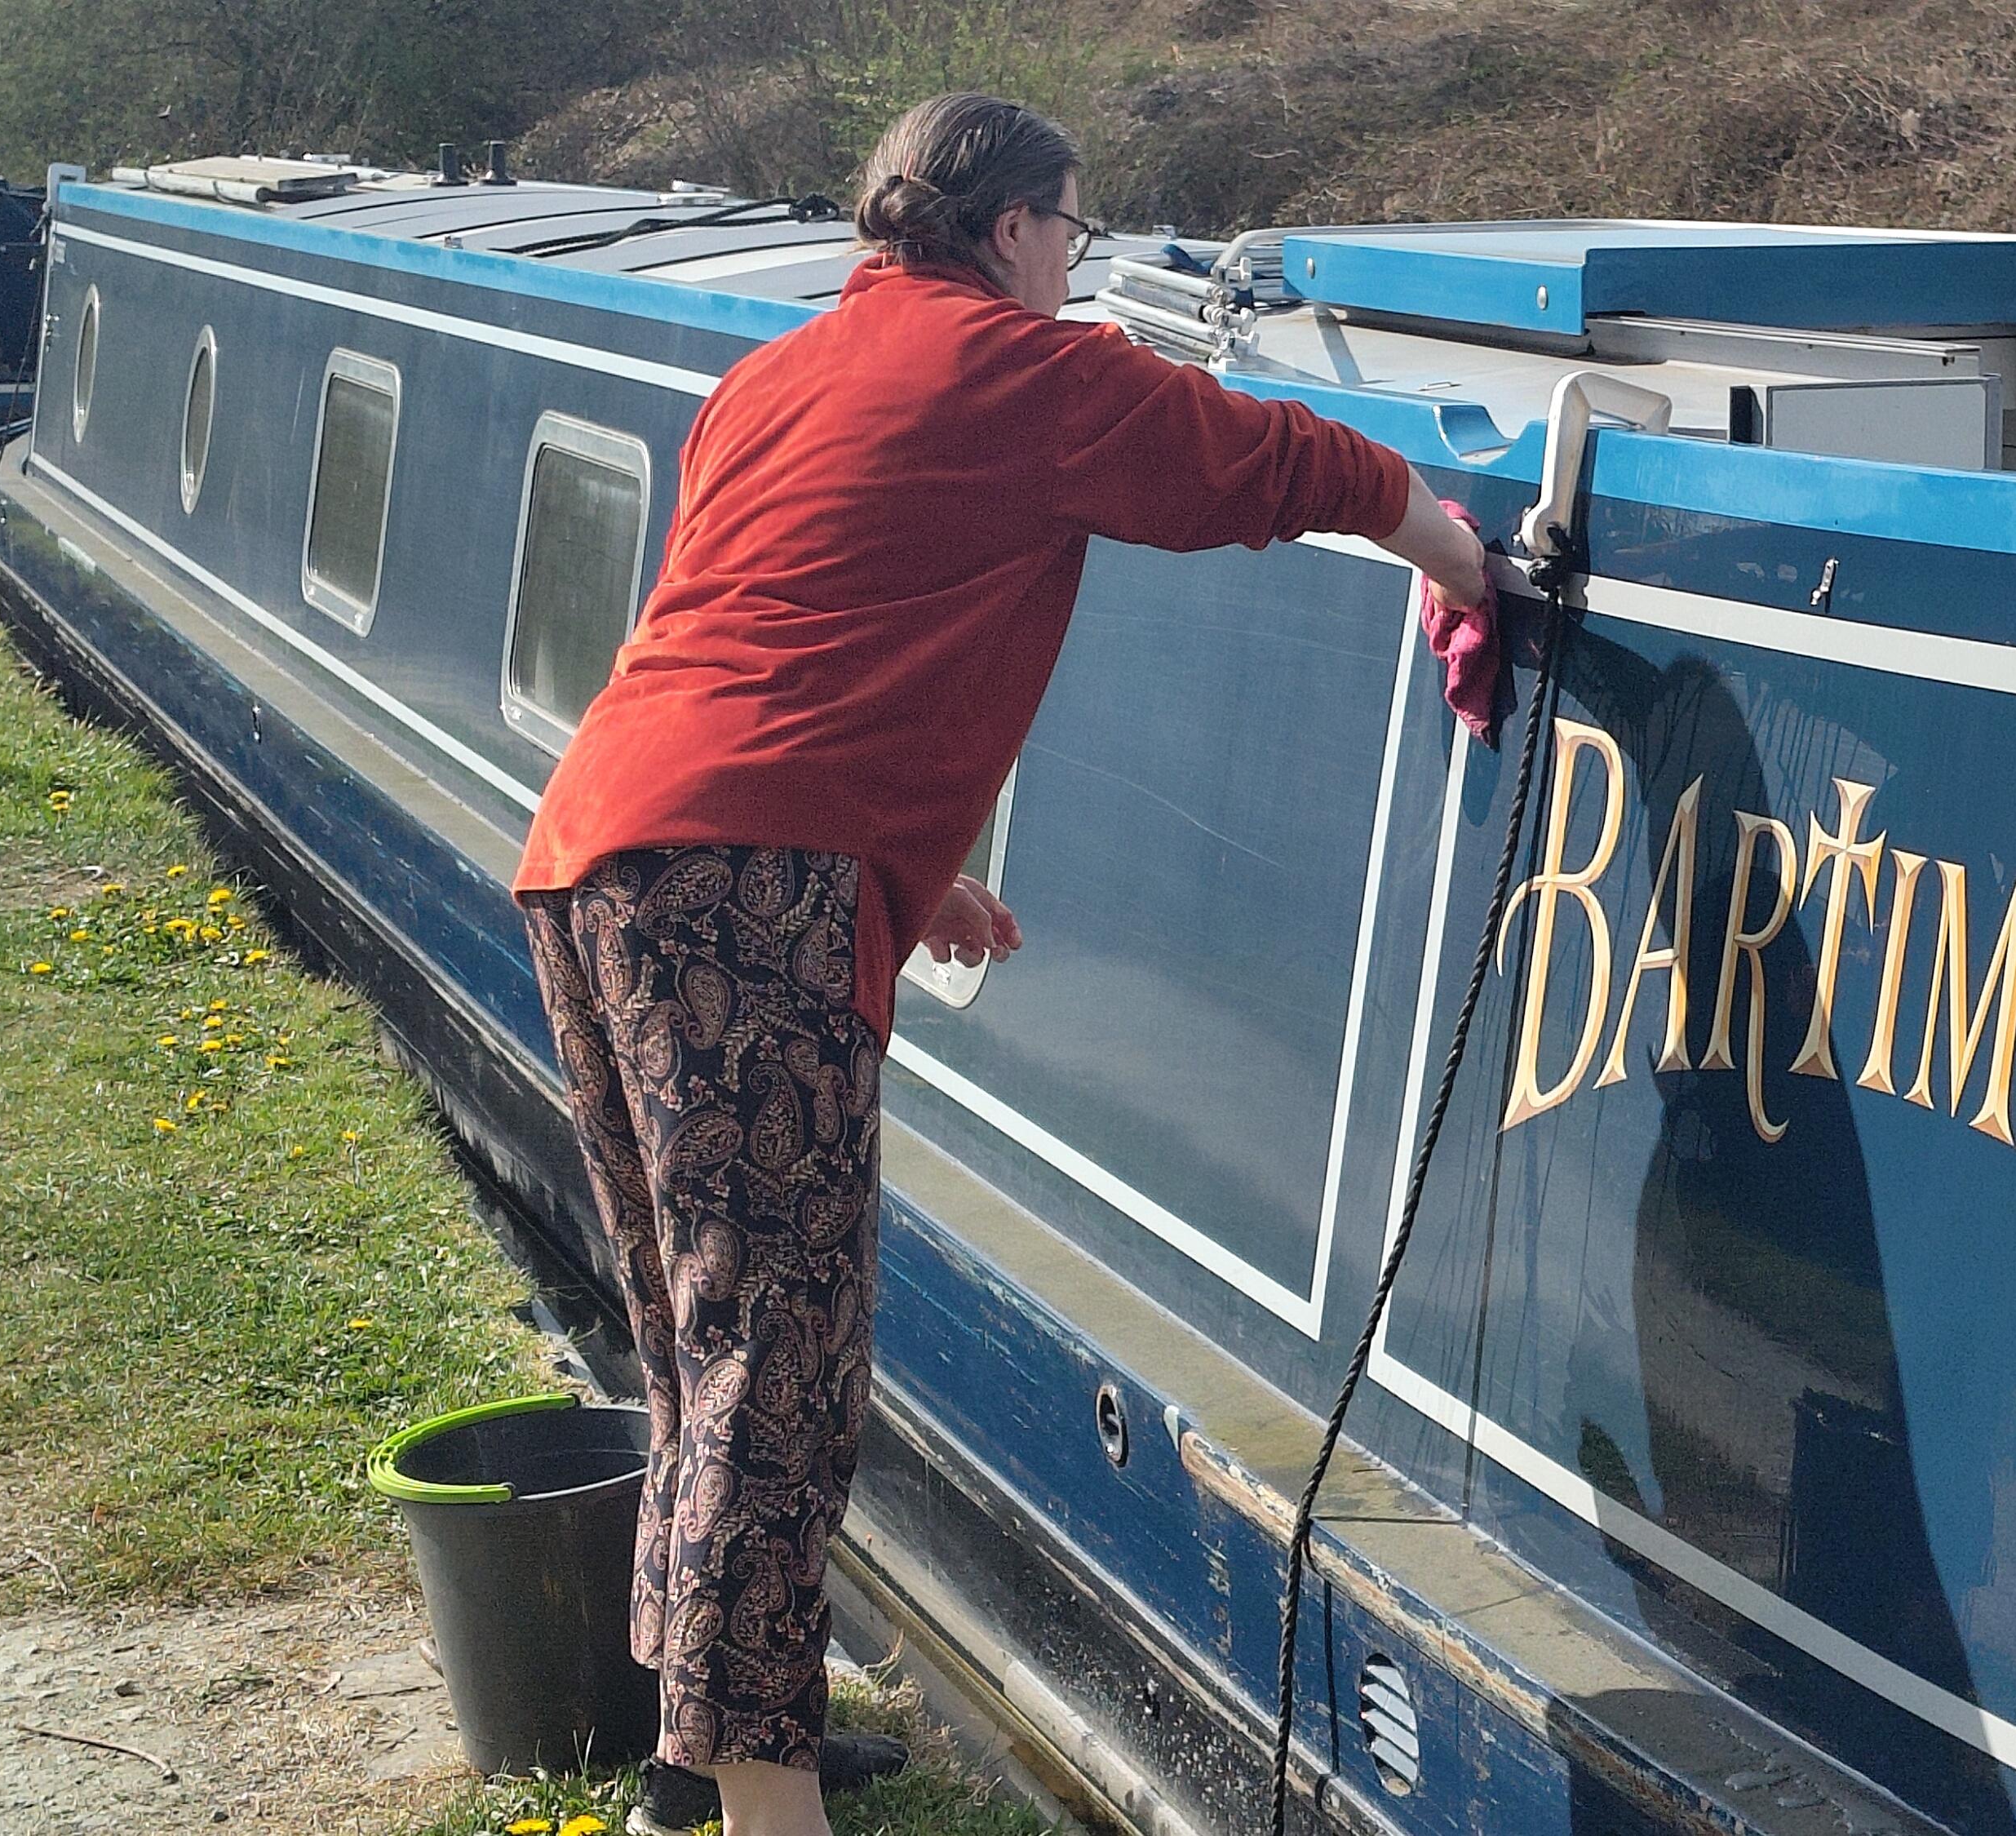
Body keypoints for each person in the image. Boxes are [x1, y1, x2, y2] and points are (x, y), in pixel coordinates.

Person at [510, 93, 1493, 1836]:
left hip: (594, 852)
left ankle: (704, 1750)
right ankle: (760, 1812)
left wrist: (910, 865)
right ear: (1018, 227)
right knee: (777, 1354)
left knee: (695, 1341)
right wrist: (1457, 554)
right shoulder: (1023, 371)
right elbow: (1270, 461)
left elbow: (779, 627)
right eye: (1074, 233)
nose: (1075, 268)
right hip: (745, 891)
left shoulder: (772, 375)